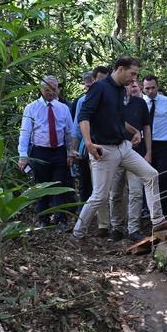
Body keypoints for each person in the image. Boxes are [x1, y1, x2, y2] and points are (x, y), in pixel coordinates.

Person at [71, 57, 165, 242]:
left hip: (124, 147)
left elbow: (119, 119)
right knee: (99, 196)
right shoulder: (99, 88)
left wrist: (134, 131)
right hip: (104, 150)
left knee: (151, 175)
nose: (134, 78)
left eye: (136, 75)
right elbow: (84, 116)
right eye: (133, 73)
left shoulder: (122, 91)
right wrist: (88, 143)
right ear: (121, 69)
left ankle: (159, 221)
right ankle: (77, 234)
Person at [18, 76, 76, 227]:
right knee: (41, 185)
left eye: (53, 89)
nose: (50, 92)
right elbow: (25, 133)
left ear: (57, 89)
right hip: (39, 152)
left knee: (59, 185)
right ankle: (43, 219)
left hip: (59, 151)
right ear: (41, 89)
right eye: (47, 89)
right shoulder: (31, 108)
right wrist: (23, 155)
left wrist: (70, 152)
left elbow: (69, 132)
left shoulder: (63, 108)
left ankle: (60, 219)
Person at [107, 79, 153, 240]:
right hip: (116, 153)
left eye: (133, 84)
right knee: (115, 193)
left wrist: (148, 152)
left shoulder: (140, 103)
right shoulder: (112, 103)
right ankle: (116, 228)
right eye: (127, 84)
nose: (129, 87)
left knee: (135, 192)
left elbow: (146, 128)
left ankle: (133, 229)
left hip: (136, 153)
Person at [72, 66, 112, 236]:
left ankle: (113, 223)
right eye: (99, 80)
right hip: (93, 148)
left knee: (112, 189)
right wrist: (74, 150)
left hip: (114, 147)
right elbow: (77, 127)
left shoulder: (114, 95)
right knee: (96, 189)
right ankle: (100, 224)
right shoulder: (84, 100)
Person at [142, 74, 167, 221]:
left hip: (165, 144)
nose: (150, 91)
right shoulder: (140, 103)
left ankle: (164, 213)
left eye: (153, 88)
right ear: (143, 88)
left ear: (157, 87)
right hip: (146, 144)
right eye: (147, 88)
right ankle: (148, 212)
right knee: (147, 179)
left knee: (165, 178)